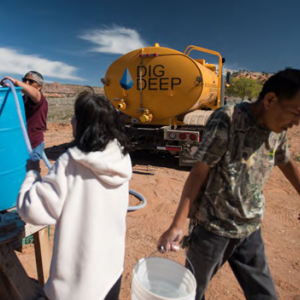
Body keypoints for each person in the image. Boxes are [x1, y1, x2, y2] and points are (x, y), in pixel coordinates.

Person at [158, 68, 300, 300]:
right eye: (296, 112)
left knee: (264, 294)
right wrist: (177, 224)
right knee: (190, 293)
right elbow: (198, 173)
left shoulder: (278, 129)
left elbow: (286, 161)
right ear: (270, 100)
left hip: (250, 228)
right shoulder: (229, 119)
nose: (296, 122)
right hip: (212, 230)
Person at [17, 91, 132, 300]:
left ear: (81, 125)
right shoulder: (121, 157)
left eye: (75, 118)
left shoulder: (71, 163)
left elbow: (32, 210)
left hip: (78, 286)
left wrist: (32, 173)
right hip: (110, 274)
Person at [1, 71, 48, 168]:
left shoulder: (39, 98)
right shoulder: (23, 99)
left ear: (39, 86)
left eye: (31, 81)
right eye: (24, 80)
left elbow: (34, 92)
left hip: (33, 145)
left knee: (31, 174)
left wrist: (16, 82)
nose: (26, 83)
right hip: (21, 143)